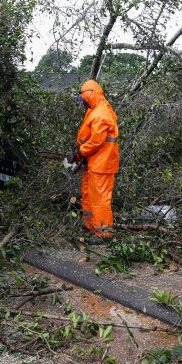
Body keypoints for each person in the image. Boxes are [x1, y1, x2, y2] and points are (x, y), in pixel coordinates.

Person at [68, 80, 119, 244]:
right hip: (94, 162)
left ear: (89, 96)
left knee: (100, 199)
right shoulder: (95, 109)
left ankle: (104, 234)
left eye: (84, 99)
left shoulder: (101, 113)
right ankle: (92, 227)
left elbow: (97, 141)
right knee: (88, 195)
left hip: (102, 164)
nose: (83, 103)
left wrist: (81, 151)